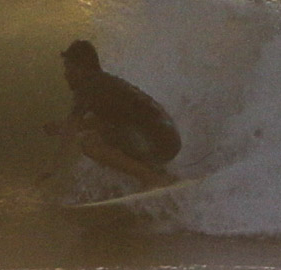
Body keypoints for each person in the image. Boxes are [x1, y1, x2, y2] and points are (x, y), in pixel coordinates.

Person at [42, 39, 181, 190]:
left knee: (89, 143)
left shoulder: (87, 87)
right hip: (170, 142)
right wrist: (62, 127)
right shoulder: (106, 84)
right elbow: (99, 122)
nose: (66, 74)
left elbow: (71, 131)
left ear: (80, 68)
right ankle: (160, 174)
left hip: (157, 143)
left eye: (68, 68)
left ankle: (152, 178)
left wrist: (52, 168)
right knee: (102, 132)